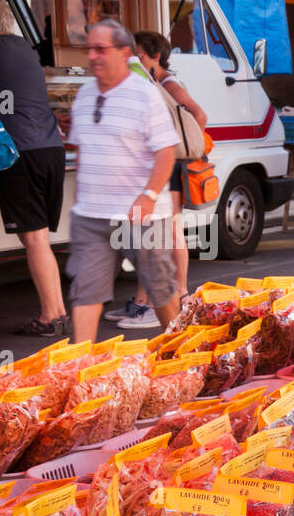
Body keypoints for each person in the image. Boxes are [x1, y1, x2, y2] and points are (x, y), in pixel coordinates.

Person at [0, 0, 68, 339]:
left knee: (33, 238)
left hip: (21, 152)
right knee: (38, 238)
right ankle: (59, 311)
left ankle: (51, 316)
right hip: (51, 147)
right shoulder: (25, 47)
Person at [66, 20, 181, 345]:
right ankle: (80, 367)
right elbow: (85, 152)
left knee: (160, 291)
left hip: (142, 214)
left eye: (101, 49)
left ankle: (180, 356)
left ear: (124, 53)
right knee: (86, 292)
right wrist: (79, 203)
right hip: (92, 215)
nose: (92, 56)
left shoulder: (145, 95)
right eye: (89, 49)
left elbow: (165, 152)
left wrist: (148, 195)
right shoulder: (85, 95)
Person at [120, 30, 207, 328]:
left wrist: (177, 145)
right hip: (166, 160)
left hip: (169, 162)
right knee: (161, 233)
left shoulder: (168, 82)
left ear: (155, 56)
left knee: (169, 232)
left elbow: (199, 114)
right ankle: (148, 300)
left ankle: (179, 294)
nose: (136, 60)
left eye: (140, 55)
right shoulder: (156, 81)